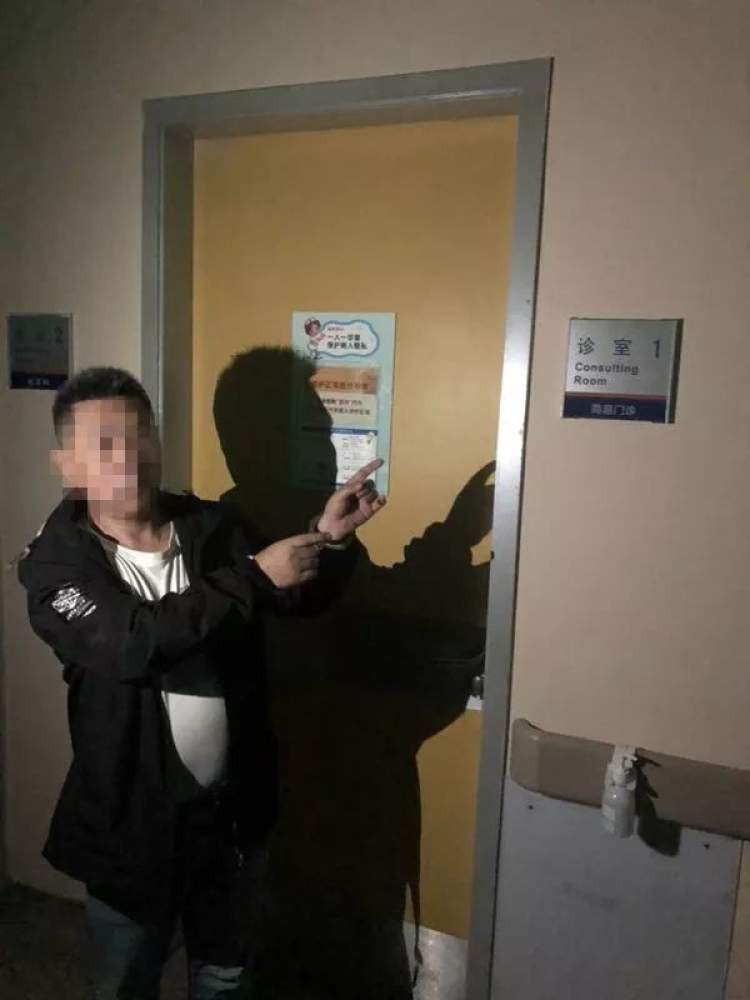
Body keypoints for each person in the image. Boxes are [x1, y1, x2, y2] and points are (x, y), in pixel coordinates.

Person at [15, 365, 387, 1000]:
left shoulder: (212, 526)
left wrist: (329, 540)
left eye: (140, 435)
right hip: (133, 828)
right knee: (124, 980)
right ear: (66, 466)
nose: (127, 458)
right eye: (103, 445)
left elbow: (288, 598)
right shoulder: (54, 565)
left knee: (225, 975)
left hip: (229, 818)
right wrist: (253, 578)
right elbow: (131, 643)